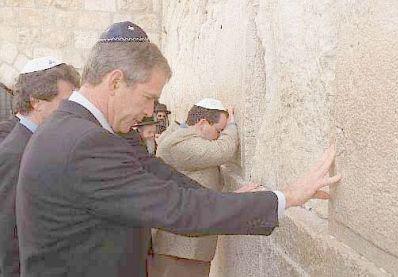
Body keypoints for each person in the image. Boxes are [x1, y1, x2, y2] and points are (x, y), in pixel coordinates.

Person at [16, 22, 340, 277]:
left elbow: (151, 170)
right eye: (147, 97)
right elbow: (178, 207)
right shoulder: (84, 141)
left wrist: (231, 200)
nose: (148, 112)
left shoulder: (82, 129)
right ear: (115, 82)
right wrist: (287, 197)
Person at [0, 57, 80, 277]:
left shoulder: (39, 142)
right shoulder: (14, 152)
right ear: (36, 102)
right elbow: (8, 237)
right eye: (65, 102)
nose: (71, 110)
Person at [150, 98, 241, 276]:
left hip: (185, 246)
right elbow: (223, 150)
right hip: (180, 248)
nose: (219, 135)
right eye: (219, 130)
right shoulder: (180, 144)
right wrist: (232, 125)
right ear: (202, 123)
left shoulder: (182, 135)